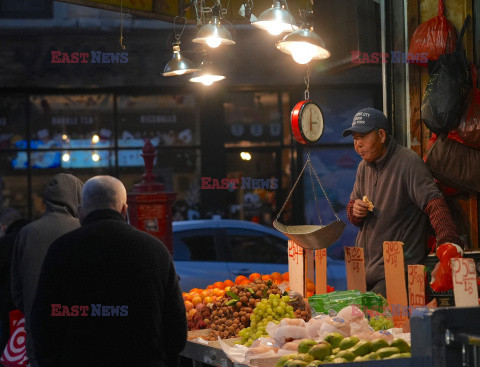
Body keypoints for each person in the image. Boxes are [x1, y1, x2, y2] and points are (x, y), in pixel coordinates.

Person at [30, 175, 187, 367]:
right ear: (124, 209)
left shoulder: (61, 250)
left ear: (81, 212)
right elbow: (175, 324)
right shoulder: (155, 250)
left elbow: (43, 320)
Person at [343, 108, 461, 296]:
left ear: (381, 135)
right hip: (365, 272)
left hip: (397, 272)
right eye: (355, 138)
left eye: (363, 137)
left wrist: (449, 243)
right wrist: (355, 211)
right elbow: (353, 212)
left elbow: (434, 203)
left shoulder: (407, 162)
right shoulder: (363, 167)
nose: (358, 144)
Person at [11, 173, 83, 366]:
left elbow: (17, 289)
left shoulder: (26, 233)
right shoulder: (83, 230)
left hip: (37, 329)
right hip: (76, 328)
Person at [0, 208, 30, 352]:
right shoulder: (34, 236)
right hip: (36, 307)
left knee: (11, 351)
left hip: (9, 309)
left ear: (3, 226)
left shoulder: (5, 243)